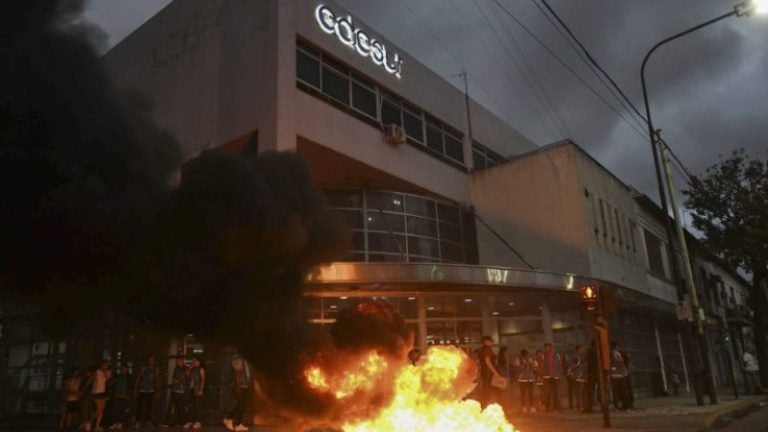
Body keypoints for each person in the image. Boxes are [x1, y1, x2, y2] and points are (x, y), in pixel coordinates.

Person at [223, 353, 252, 431]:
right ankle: (230, 419)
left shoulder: (245, 360)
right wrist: (238, 385)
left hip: (245, 385)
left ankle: (237, 422)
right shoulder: (238, 359)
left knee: (241, 405)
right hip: (241, 385)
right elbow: (237, 373)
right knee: (240, 405)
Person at [83, 361, 111, 432]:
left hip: (103, 392)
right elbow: (90, 380)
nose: (106, 367)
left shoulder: (106, 372)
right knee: (98, 409)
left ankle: (97, 425)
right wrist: (84, 389)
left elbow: (108, 380)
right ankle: (89, 422)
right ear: (101, 365)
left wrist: (105, 373)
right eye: (105, 365)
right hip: (96, 392)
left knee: (101, 410)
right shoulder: (97, 372)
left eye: (107, 366)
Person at [477, 336, 503, 410]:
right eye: (490, 341)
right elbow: (487, 361)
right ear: (486, 341)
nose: (491, 343)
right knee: (497, 392)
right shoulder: (488, 349)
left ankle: (483, 408)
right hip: (490, 374)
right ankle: (501, 409)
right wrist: (495, 373)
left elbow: (478, 362)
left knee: (486, 392)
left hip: (485, 373)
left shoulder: (480, 350)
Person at [162, 357, 189, 427]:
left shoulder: (185, 368)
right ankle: (166, 422)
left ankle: (179, 422)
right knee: (171, 406)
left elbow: (187, 377)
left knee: (180, 407)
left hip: (182, 391)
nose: (181, 362)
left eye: (182, 361)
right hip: (176, 391)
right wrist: (181, 378)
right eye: (180, 361)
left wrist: (185, 375)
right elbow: (175, 380)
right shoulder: (177, 369)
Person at [134, 356, 160, 428]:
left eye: (153, 361)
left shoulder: (155, 370)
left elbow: (157, 380)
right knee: (140, 406)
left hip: (151, 390)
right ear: (148, 361)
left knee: (149, 407)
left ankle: (148, 421)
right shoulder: (144, 368)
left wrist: (157, 390)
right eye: (150, 360)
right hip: (142, 389)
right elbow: (138, 378)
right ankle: (137, 421)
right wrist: (135, 389)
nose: (151, 362)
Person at [184, 356, 206, 430]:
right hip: (192, 389)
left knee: (198, 406)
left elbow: (203, 380)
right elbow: (188, 376)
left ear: (198, 361)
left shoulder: (201, 369)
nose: (194, 362)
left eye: (195, 361)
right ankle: (190, 421)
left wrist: (201, 389)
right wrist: (191, 368)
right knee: (191, 406)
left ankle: (199, 421)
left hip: (198, 389)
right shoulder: (193, 369)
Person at [107, 365, 131, 430]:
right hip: (117, 395)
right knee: (115, 410)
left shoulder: (128, 377)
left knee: (122, 410)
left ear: (127, 370)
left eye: (124, 369)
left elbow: (130, 386)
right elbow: (113, 384)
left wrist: (128, 395)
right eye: (122, 369)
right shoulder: (118, 376)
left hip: (124, 395)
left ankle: (120, 423)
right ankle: (115, 423)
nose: (123, 370)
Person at [541, 343, 563, 412]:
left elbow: (560, 364)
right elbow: (542, 366)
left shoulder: (556, 355)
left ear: (551, 348)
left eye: (549, 348)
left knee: (557, 393)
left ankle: (557, 408)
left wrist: (560, 373)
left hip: (555, 376)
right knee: (547, 393)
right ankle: (548, 408)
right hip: (547, 376)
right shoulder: (543, 356)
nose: (547, 349)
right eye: (546, 348)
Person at [609, 342, 630, 411]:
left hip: (613, 375)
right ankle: (625, 405)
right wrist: (625, 371)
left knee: (615, 391)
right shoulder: (617, 353)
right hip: (620, 374)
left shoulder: (608, 354)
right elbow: (621, 362)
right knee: (624, 390)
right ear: (617, 346)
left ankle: (616, 406)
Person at [515, 349, 536, 413]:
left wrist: (529, 364)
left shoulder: (530, 359)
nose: (526, 356)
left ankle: (531, 406)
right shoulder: (518, 359)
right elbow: (518, 368)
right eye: (525, 355)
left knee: (531, 393)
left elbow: (534, 367)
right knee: (523, 393)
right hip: (522, 379)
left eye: (527, 355)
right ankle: (523, 406)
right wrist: (524, 365)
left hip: (530, 378)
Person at [581, 341, 598, 413]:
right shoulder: (600, 352)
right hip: (598, 373)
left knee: (589, 391)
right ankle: (603, 406)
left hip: (591, 374)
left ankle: (589, 406)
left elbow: (586, 363)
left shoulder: (589, 352)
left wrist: (586, 373)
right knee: (599, 390)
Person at [497, 346, 513, 415]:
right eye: (506, 352)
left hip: (503, 378)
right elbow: (506, 369)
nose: (507, 353)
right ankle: (506, 409)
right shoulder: (504, 363)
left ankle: (505, 409)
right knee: (506, 395)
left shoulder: (500, 362)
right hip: (504, 379)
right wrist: (507, 359)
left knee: (505, 394)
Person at [571, 344, 587, 412]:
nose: (583, 350)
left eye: (583, 349)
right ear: (577, 350)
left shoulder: (583, 356)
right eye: (581, 349)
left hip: (584, 377)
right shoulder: (576, 357)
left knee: (584, 393)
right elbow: (573, 366)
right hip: (578, 377)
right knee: (579, 393)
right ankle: (579, 406)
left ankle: (584, 406)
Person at [564, 343, 577, 410]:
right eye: (570, 347)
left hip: (576, 373)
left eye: (572, 347)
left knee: (577, 389)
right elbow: (566, 363)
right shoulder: (566, 355)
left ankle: (577, 404)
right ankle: (571, 404)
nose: (571, 348)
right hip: (569, 373)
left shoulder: (575, 354)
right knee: (570, 390)